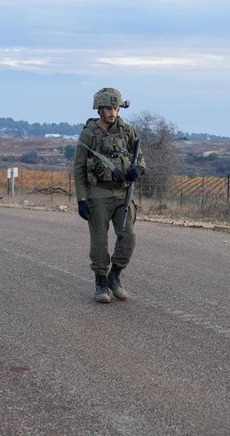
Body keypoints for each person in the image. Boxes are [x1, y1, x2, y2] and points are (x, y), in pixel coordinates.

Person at [74, 88, 146, 303]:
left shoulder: (127, 130)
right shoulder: (89, 134)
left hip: (123, 192)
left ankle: (115, 276)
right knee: (99, 242)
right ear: (99, 109)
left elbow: (139, 156)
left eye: (115, 108)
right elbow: (78, 169)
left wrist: (138, 169)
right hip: (98, 192)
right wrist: (81, 199)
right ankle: (100, 282)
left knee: (128, 237)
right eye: (108, 109)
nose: (112, 113)